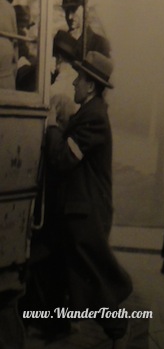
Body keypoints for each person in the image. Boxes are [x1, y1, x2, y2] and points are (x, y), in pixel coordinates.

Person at [40, 51, 133, 343]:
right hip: (81, 210)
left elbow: (63, 158)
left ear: (91, 86)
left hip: (85, 214)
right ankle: (56, 326)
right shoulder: (90, 114)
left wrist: (52, 126)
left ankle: (117, 328)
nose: (75, 84)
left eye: (79, 79)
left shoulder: (93, 119)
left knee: (91, 276)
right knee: (68, 270)